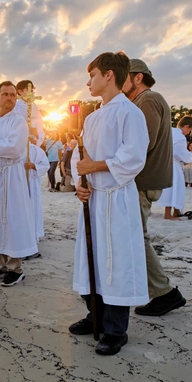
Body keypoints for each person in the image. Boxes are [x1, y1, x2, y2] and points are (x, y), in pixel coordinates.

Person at [70, 51, 149, 356]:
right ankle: (96, 316)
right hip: (94, 198)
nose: (88, 81)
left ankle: (116, 329)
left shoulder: (129, 113)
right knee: (93, 260)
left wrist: (95, 168)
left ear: (108, 75)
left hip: (117, 198)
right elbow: (83, 159)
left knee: (116, 261)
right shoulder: (91, 117)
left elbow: (133, 158)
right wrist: (82, 183)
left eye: (92, 75)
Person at [123, 58, 186, 317]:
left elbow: (142, 144)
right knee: (136, 236)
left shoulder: (148, 100)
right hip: (143, 180)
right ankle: (160, 291)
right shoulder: (142, 101)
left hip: (143, 181)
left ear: (138, 77)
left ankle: (165, 293)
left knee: (136, 237)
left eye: (123, 75)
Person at [0, 81, 38, 286]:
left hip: (10, 177)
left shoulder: (18, 122)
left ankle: (15, 267)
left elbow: (14, 149)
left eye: (13, 95)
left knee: (12, 220)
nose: (9, 98)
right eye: (5, 94)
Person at [156, 116, 192, 219]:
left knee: (170, 187)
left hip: (163, 163)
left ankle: (177, 211)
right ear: (186, 126)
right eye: (190, 130)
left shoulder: (168, 131)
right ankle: (168, 213)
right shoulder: (180, 137)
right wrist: (191, 155)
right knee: (174, 187)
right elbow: (180, 153)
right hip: (173, 164)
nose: (189, 133)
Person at [26, 131, 50, 242]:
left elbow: (45, 165)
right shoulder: (18, 150)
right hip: (21, 182)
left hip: (32, 181)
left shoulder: (37, 150)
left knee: (32, 208)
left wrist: (33, 166)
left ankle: (33, 236)